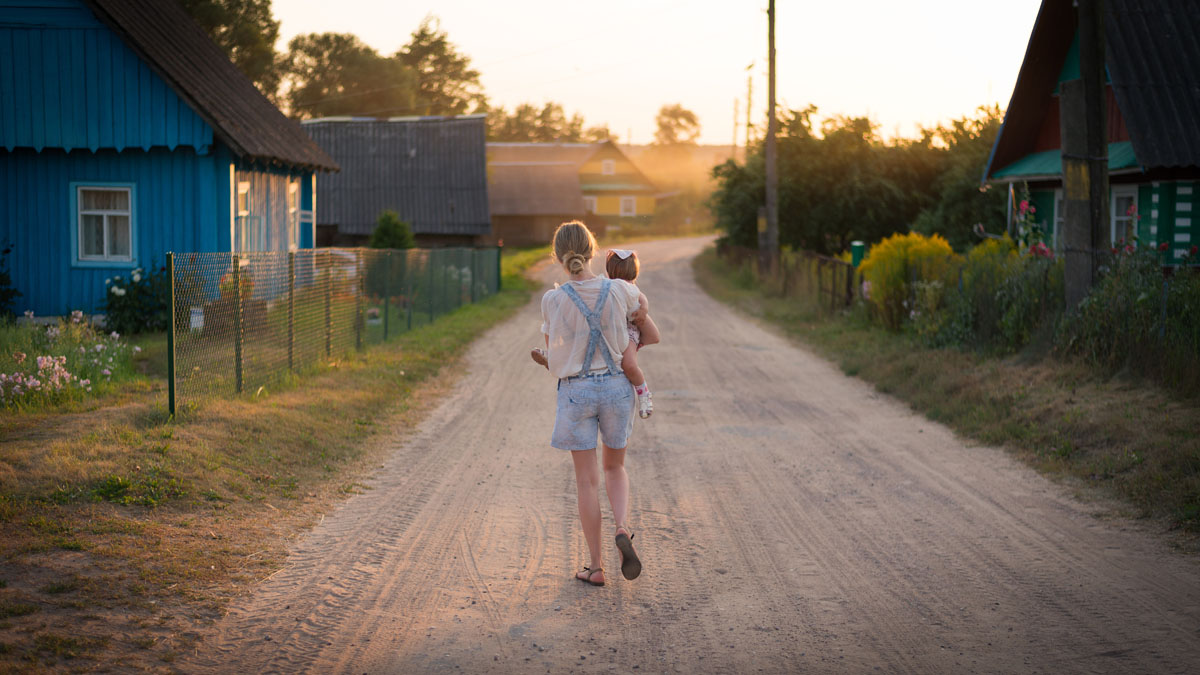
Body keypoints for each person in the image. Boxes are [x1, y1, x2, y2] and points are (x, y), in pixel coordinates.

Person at [539, 221, 657, 586]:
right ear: (592, 250)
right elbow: (643, 317)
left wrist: (546, 360)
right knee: (614, 469)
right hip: (616, 389)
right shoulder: (620, 289)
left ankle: (596, 567)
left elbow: (554, 355)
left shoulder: (554, 300)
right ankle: (622, 528)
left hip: (577, 392)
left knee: (586, 482)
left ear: (558, 256)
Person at [532, 249, 659, 419]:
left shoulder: (630, 288)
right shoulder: (609, 286)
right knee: (583, 338)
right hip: (612, 329)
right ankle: (555, 356)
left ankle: (643, 392)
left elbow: (643, 301)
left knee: (629, 364)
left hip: (628, 331)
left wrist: (643, 310)